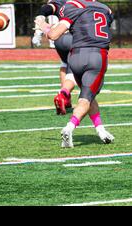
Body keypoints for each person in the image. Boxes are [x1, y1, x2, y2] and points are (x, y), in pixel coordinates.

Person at [35, 0, 115, 148]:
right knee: (85, 98)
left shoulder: (73, 5)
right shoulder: (106, 9)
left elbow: (53, 35)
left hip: (76, 57)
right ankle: (69, 128)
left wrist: (43, 25)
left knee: (88, 95)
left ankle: (101, 130)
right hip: (97, 56)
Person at [32, 0, 76, 115]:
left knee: (64, 64)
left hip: (58, 39)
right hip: (73, 38)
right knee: (76, 70)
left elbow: (44, 11)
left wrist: (38, 33)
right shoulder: (80, 4)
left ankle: (66, 100)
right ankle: (63, 94)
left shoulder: (57, 4)